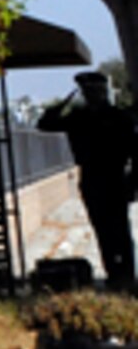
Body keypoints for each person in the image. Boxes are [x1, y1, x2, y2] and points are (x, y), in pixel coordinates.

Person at [37, 70, 137, 290]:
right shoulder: (81, 118)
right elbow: (44, 124)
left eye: (94, 90)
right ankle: (117, 275)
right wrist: (66, 101)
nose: (91, 94)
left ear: (103, 91)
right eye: (87, 91)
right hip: (96, 178)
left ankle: (125, 275)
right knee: (105, 230)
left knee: (118, 230)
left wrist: (132, 184)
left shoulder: (116, 118)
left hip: (113, 177)